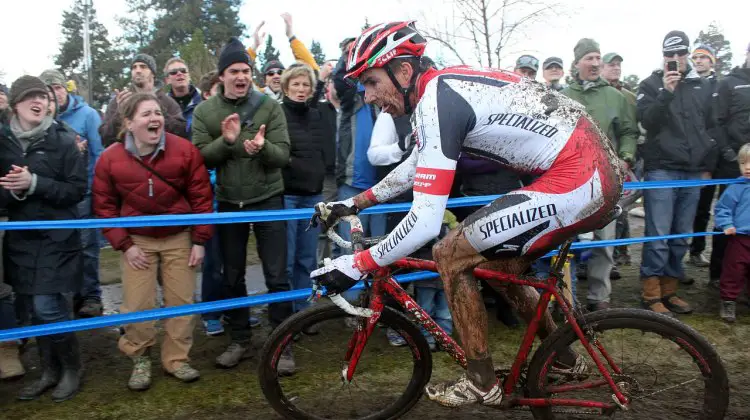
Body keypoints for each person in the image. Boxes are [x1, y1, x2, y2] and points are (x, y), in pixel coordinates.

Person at [310, 21, 622, 407]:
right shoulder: (441, 90)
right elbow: (414, 166)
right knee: (503, 273)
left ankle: (480, 380)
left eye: (372, 82)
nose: (369, 96)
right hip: (586, 170)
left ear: (404, 71)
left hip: (579, 176)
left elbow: (425, 221)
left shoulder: (438, 100)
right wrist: (354, 203)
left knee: (450, 253)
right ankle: (562, 357)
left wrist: (356, 264)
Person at [93, 92, 213, 390]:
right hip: (137, 241)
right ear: (129, 123)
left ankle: (177, 360)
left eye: (157, 113)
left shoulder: (185, 151)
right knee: (137, 305)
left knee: (181, 302)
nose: (155, 119)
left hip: (179, 237)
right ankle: (140, 357)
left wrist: (199, 240)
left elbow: (201, 198)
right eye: (146, 114)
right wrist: (125, 245)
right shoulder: (110, 159)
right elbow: (104, 207)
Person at [191, 37, 294, 372]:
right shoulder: (206, 111)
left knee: (277, 275)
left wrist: (262, 148)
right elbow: (200, 156)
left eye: (245, 70)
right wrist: (228, 142)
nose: (241, 76)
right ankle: (240, 339)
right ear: (221, 76)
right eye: (234, 70)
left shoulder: (270, 106)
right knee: (231, 275)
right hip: (230, 204)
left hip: (268, 200)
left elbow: (282, 156)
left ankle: (283, 343)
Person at [0, 75, 87, 402]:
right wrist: (12, 189)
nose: (39, 102)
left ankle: (72, 369)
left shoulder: (64, 140)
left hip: (57, 237)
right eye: (30, 97)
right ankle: (49, 371)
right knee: (33, 312)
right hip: (21, 238)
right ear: (16, 103)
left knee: (47, 306)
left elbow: (77, 190)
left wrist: (34, 182)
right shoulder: (3, 141)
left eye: (43, 96)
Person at [636, 30, 716, 316]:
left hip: (693, 170)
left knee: (682, 234)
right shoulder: (650, 83)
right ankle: (650, 292)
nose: (675, 59)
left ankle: (670, 290)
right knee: (657, 233)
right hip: (661, 169)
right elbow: (646, 121)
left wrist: (708, 164)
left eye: (680, 53)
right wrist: (665, 93)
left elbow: (711, 126)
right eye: (669, 54)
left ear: (688, 53)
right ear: (663, 56)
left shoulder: (702, 86)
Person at [561, 39, 638, 312]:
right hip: (570, 178)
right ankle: (564, 295)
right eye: (589, 58)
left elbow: (629, 132)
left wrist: (626, 157)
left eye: (598, 58)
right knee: (564, 236)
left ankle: (599, 295)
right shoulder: (562, 95)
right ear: (577, 62)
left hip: (605, 179)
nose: (595, 63)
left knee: (604, 237)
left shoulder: (616, 97)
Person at [39, 69, 105, 318]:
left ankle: (90, 296)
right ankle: (66, 296)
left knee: (87, 245)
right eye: (48, 90)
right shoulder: (42, 120)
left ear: (65, 89)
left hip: (85, 191)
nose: (54, 95)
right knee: (60, 244)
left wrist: (99, 190)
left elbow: (100, 153)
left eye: (57, 88)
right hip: (54, 195)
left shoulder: (88, 115)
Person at [280, 63, 332, 312]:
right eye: (296, 84)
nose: (301, 89)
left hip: (314, 196)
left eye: (305, 85)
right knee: (287, 258)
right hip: (288, 196)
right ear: (286, 87)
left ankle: (302, 311)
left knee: (307, 258)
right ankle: (285, 312)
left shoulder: (316, 113)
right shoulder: (277, 113)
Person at [711, 43, 750, 288]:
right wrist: (727, 152)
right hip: (734, 162)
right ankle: (719, 274)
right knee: (728, 217)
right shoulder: (729, 82)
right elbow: (716, 120)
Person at [100, 53, 188, 146]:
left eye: (143, 67)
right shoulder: (120, 101)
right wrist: (120, 113)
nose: (138, 70)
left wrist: (158, 110)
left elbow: (181, 132)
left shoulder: (166, 101)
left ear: (153, 73)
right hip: (128, 157)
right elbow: (105, 138)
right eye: (134, 67)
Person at [686, 44, 720, 272]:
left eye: (703, 58)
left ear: (712, 61)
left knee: (703, 208)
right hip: (686, 159)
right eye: (695, 57)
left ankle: (697, 250)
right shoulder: (684, 82)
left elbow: (716, 125)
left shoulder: (719, 86)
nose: (698, 61)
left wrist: (709, 163)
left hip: (709, 157)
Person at [714, 143, 750, 323]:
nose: (748, 167)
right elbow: (723, 209)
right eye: (743, 163)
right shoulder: (736, 188)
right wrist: (726, 224)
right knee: (733, 270)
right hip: (739, 239)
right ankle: (728, 300)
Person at [164, 57, 202, 134]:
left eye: (183, 71)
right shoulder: (162, 107)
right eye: (174, 72)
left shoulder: (205, 100)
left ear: (189, 76)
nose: (179, 73)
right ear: (167, 80)